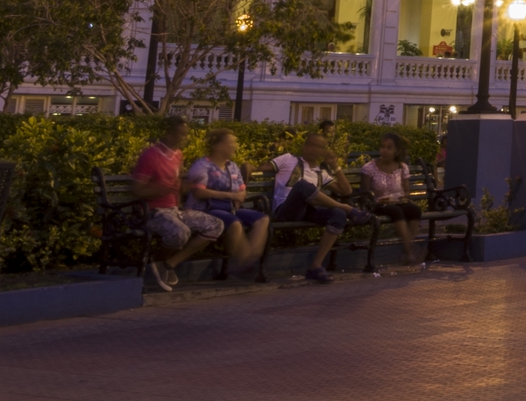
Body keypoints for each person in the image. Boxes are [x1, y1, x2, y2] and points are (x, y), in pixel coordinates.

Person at [132, 116, 229, 292]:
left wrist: (182, 191)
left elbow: (175, 186)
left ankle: (168, 263)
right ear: (168, 135)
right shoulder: (150, 156)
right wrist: (167, 190)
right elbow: (138, 190)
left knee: (216, 225)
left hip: (175, 210)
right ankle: (158, 261)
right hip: (154, 212)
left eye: (186, 135)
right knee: (180, 232)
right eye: (181, 135)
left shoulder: (178, 155)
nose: (184, 139)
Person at [272, 133, 371, 283]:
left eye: (319, 147)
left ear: (323, 151)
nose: (314, 149)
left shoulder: (321, 173)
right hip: (286, 210)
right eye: (311, 145)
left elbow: (346, 191)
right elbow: (259, 168)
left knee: (338, 214)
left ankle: (315, 266)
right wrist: (248, 167)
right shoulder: (288, 159)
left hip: (307, 211)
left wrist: (334, 165)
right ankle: (346, 207)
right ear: (304, 146)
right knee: (301, 186)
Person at [184, 127, 269, 281]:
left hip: (229, 208)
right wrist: (229, 195)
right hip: (205, 209)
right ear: (218, 146)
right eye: (231, 143)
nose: (234, 146)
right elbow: (198, 192)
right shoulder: (202, 166)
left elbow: (242, 190)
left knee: (262, 219)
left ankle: (249, 259)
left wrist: (239, 196)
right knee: (234, 223)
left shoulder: (232, 166)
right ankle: (243, 264)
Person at [359, 133, 425, 269]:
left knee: (414, 210)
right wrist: (377, 196)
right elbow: (365, 193)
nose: (384, 150)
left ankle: (408, 251)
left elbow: (406, 191)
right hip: (377, 203)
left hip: (397, 201)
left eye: (389, 148)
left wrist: (403, 196)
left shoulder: (402, 167)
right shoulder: (369, 168)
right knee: (396, 211)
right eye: (383, 147)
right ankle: (411, 250)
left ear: (396, 151)